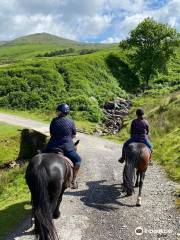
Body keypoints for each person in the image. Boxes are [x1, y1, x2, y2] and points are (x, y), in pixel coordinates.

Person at [45, 103, 81, 189]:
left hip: (52, 146)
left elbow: (51, 133)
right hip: (67, 148)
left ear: (61, 112)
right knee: (78, 160)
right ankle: (73, 181)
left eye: (58, 111)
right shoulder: (71, 122)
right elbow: (73, 135)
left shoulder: (54, 121)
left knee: (39, 155)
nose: (57, 113)